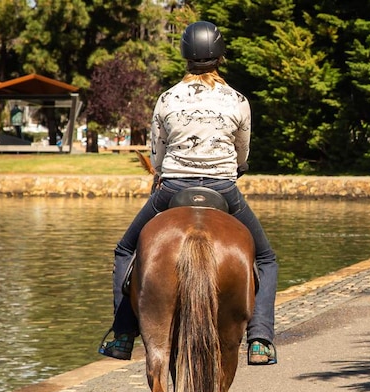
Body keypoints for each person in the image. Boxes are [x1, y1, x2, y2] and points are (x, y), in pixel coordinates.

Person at [99, 21, 278, 365]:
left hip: (173, 188)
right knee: (266, 259)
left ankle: (122, 335)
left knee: (125, 249)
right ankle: (260, 339)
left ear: (184, 55)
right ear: (220, 56)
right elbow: (243, 153)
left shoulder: (166, 99)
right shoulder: (238, 101)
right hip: (224, 189)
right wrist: (232, 167)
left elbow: (158, 155)